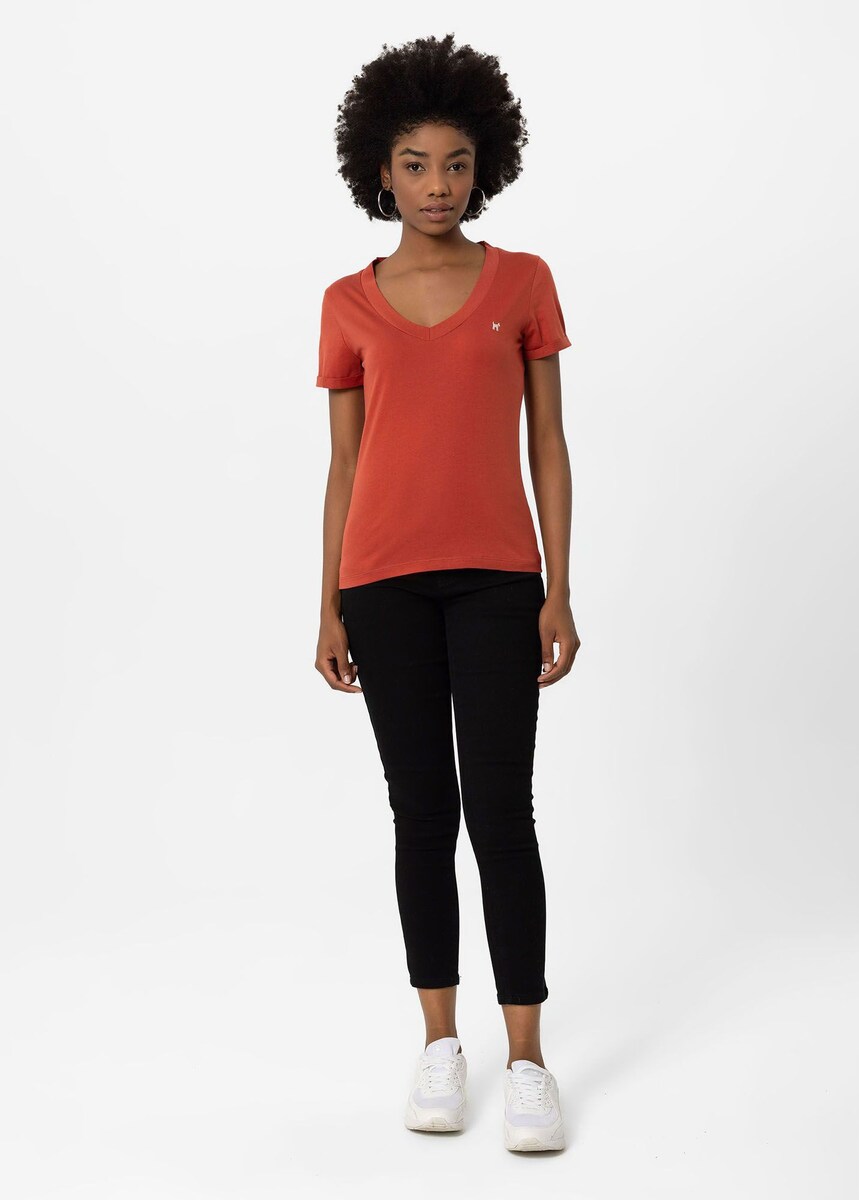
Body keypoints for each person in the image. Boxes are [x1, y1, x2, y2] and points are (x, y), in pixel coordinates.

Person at [314, 33, 580, 1153]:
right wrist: (327, 603)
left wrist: (558, 589)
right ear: (381, 170)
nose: (438, 185)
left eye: (457, 163)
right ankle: (439, 1044)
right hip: (381, 584)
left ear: (486, 166)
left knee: (501, 811)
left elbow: (549, 445)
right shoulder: (347, 302)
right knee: (419, 813)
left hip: (497, 582)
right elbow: (345, 463)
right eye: (417, 165)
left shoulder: (523, 283)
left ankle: (527, 1060)